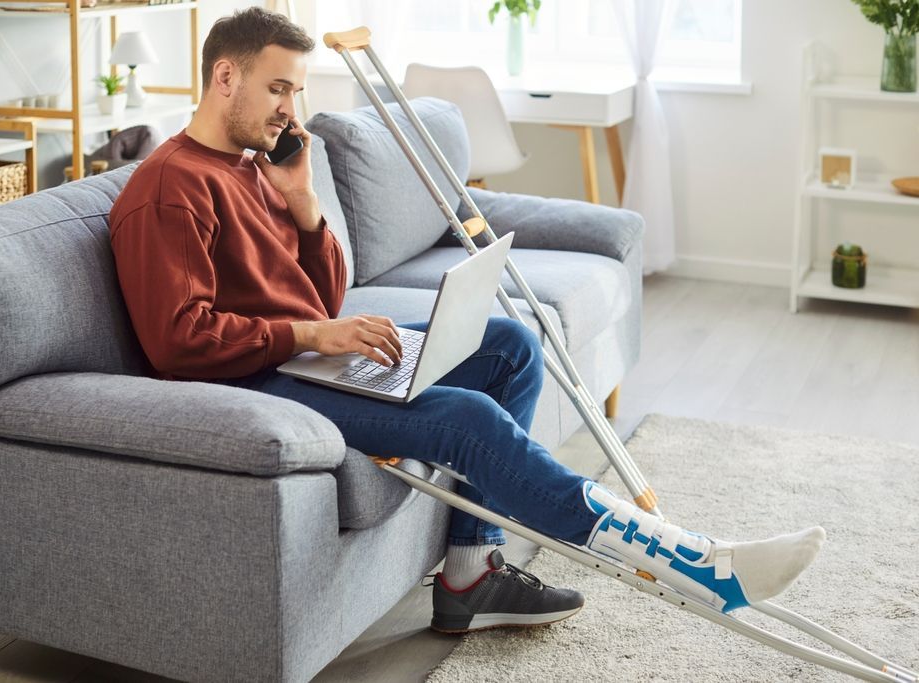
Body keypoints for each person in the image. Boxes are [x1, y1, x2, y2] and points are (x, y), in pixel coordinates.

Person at [108, 7, 826, 634]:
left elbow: (326, 296)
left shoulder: (254, 165)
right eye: (277, 87)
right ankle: (695, 559)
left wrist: (303, 203)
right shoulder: (171, 186)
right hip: (252, 383)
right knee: (469, 419)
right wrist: (311, 336)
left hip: (303, 357)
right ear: (224, 78)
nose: (290, 109)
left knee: (510, 345)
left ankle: (469, 572)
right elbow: (179, 342)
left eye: (296, 89)